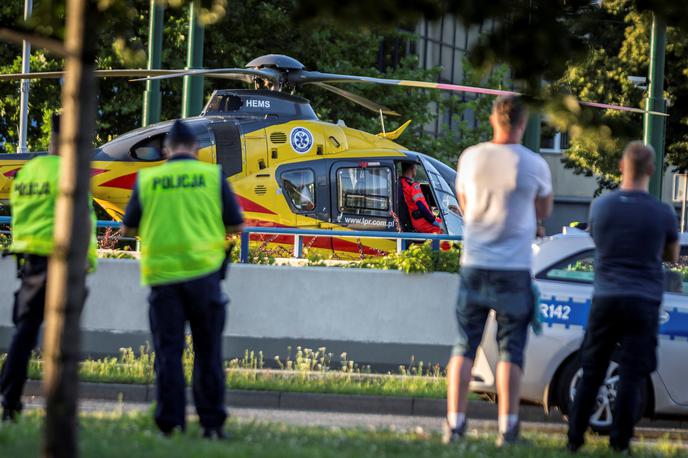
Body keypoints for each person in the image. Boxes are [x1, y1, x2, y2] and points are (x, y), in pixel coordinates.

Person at [121, 120, 244, 439]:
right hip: (205, 279)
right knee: (208, 355)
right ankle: (212, 425)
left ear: (166, 150)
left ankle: (169, 425)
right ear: (196, 149)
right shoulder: (212, 177)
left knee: (168, 355)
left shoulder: (148, 179)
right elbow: (235, 225)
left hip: (163, 280)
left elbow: (127, 231)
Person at [445, 95, 553, 446]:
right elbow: (544, 210)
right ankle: (508, 430)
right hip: (514, 269)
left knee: (464, 347)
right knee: (511, 352)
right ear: (523, 124)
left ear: (493, 119)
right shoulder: (535, 164)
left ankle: (455, 424)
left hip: (475, 264)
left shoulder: (470, 157)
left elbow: (464, 204)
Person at [567, 142, 679, 454]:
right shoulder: (662, 212)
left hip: (606, 297)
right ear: (652, 171)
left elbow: (597, 241)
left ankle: (574, 438)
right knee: (633, 372)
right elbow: (670, 253)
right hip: (643, 300)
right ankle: (621, 442)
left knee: (593, 368)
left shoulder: (601, 206)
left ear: (621, 167)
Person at [0, 114, 97, 421]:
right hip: (65, 264)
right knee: (63, 341)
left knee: (24, 334)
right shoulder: (72, 174)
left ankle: (8, 399)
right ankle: (61, 409)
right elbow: (85, 223)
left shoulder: (29, 172)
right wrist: (88, 264)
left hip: (30, 265)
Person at [399, 162, 442, 233]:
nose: (416, 170)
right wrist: (432, 220)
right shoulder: (413, 186)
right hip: (422, 222)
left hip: (414, 221)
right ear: (412, 168)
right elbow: (421, 205)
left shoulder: (401, 183)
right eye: (416, 168)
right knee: (443, 230)